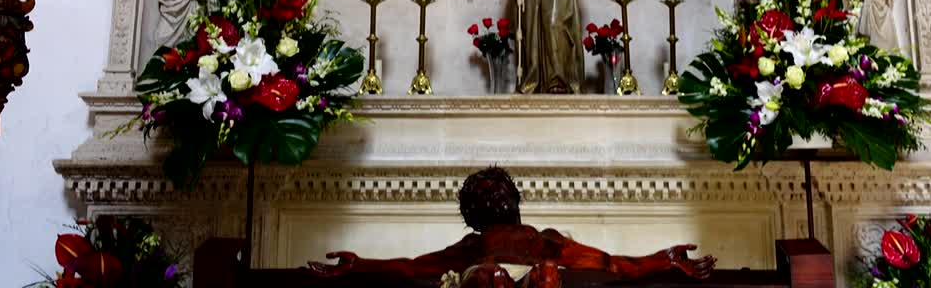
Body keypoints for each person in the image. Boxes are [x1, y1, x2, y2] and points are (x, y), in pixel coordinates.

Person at [306, 167, 715, 286]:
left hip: (540, 280)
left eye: (499, 190)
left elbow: (610, 263)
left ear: (516, 202)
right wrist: (360, 266)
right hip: (484, 278)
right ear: (473, 214)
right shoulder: (472, 246)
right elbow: (413, 267)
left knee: (549, 275)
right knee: (489, 277)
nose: (494, 197)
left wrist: (662, 259)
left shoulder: (546, 242)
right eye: (484, 195)